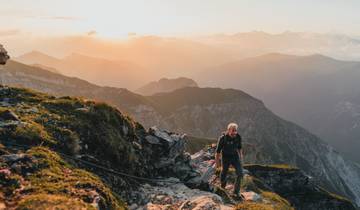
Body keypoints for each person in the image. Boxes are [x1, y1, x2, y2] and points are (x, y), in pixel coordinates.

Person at [215, 122, 244, 196]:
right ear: (228, 130)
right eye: (233, 130)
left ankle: (236, 192)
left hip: (235, 156)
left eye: (235, 130)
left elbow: (240, 148)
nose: (234, 132)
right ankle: (222, 187)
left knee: (240, 173)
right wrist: (217, 163)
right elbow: (217, 152)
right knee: (224, 172)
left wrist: (241, 157)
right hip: (225, 157)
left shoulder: (238, 137)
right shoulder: (223, 138)